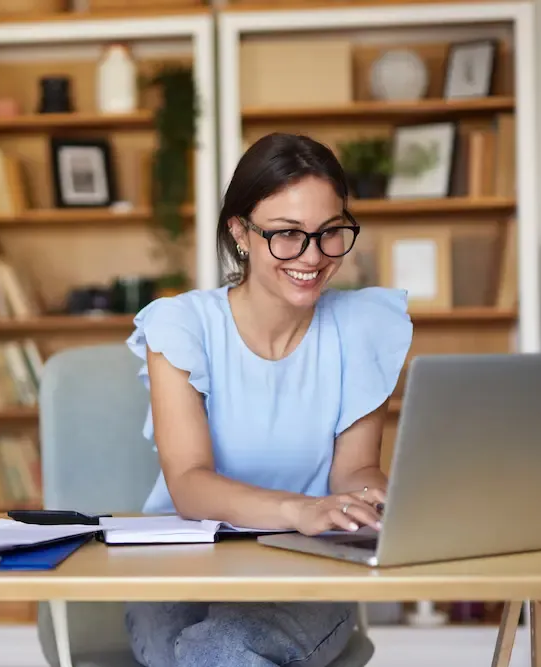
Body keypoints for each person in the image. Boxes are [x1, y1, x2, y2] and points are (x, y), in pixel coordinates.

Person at [122, 132, 414, 667]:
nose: (312, 256)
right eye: (286, 235)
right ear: (240, 233)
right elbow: (189, 483)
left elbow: (357, 469)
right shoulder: (182, 325)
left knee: (220, 652)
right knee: (208, 652)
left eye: (330, 233)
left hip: (309, 569)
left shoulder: (364, 326)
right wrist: (299, 509)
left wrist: (377, 502)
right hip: (178, 566)